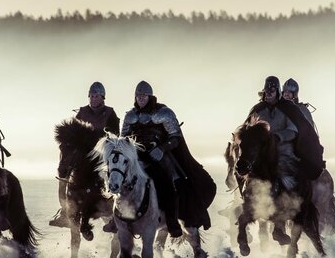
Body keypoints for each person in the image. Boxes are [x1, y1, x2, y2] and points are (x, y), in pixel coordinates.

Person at [118, 80, 215, 238]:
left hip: (159, 156)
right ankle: (118, 219)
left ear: (150, 96)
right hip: (137, 156)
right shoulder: (130, 116)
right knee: (119, 180)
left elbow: (175, 137)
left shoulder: (163, 113)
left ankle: (172, 222)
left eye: (144, 95)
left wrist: (161, 149)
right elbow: (124, 139)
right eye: (138, 95)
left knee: (168, 185)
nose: (141, 98)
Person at [246, 76, 325, 243]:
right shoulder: (258, 109)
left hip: (284, 152)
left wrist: (278, 137)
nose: (269, 93)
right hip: (263, 154)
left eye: (272, 90)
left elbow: (294, 130)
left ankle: (291, 208)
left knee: (287, 178)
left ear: (278, 92)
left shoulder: (289, 109)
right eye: (267, 90)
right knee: (249, 176)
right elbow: (248, 129)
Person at [50, 81, 121, 228]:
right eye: (92, 96)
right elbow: (73, 133)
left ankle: (116, 212)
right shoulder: (82, 112)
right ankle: (64, 212)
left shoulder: (109, 113)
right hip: (82, 155)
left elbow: (115, 136)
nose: (94, 98)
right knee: (63, 177)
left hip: (101, 155)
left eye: (97, 96)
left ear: (103, 97)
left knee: (114, 176)